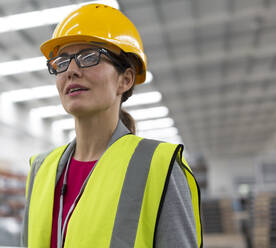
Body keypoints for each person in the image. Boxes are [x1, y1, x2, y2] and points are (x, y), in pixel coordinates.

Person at [21, 3, 202, 248]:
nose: (71, 70)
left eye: (89, 57)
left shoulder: (159, 166)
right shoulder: (41, 170)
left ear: (125, 80)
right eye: (62, 62)